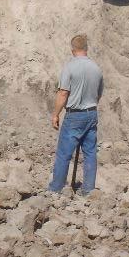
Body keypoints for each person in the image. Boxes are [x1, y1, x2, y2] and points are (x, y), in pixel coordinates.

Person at [48, 34, 104, 195]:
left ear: (72, 50)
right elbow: (98, 95)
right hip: (91, 113)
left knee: (64, 153)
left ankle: (56, 188)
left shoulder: (69, 67)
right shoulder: (96, 68)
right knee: (90, 153)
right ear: (86, 49)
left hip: (74, 115)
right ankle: (88, 190)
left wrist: (56, 114)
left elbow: (63, 93)